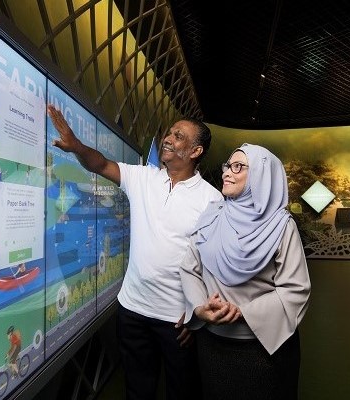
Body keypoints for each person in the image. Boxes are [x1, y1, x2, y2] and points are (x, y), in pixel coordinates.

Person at [47, 104, 223, 400]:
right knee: (137, 391)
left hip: (177, 321)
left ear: (196, 151)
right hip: (132, 311)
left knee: (182, 392)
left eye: (178, 136)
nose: (168, 139)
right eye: (169, 133)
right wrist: (76, 146)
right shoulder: (143, 178)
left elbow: (215, 264)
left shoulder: (212, 200)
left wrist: (197, 314)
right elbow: (100, 164)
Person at [180, 143, 311, 399]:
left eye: (238, 167)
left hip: (264, 348)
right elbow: (190, 268)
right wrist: (199, 308)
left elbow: (295, 289)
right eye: (227, 166)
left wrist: (244, 313)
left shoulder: (282, 226)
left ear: (262, 176)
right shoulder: (212, 215)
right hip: (213, 344)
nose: (227, 172)